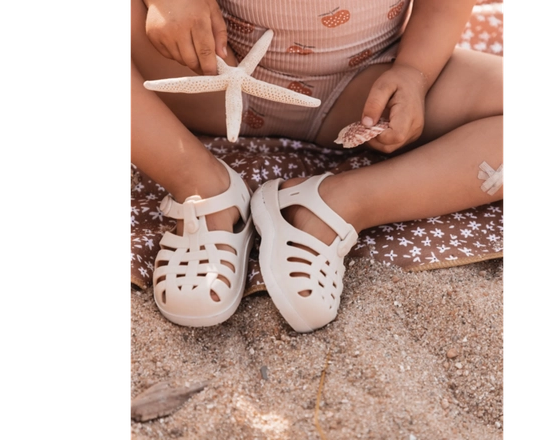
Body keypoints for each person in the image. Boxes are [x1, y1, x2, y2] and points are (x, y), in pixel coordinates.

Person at [129, 0, 505, 332]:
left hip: (362, 84)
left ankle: (336, 204)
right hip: (194, 68)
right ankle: (199, 183)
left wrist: (413, 72)